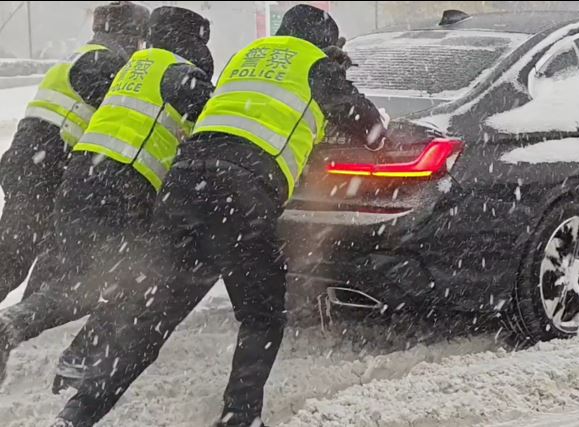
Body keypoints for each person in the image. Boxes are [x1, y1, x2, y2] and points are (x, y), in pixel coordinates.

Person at [52, 4, 387, 427]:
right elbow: (371, 130)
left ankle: (77, 414)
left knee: (152, 318)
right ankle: (240, 416)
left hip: (185, 185)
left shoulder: (242, 60)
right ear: (324, 42)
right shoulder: (316, 64)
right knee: (261, 314)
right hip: (241, 193)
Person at [0, 6, 214, 394]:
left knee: (51, 256)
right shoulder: (105, 62)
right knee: (54, 264)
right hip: (58, 167)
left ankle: (28, 321)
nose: (140, 43)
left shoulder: (99, 59)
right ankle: (29, 324)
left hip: (53, 165)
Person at [0, 1, 148, 303]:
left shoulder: (81, 57)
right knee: (18, 260)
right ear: (132, 37)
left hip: (30, 163)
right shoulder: (105, 65)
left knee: (31, 255)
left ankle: (15, 327)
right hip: (45, 167)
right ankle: (19, 323)